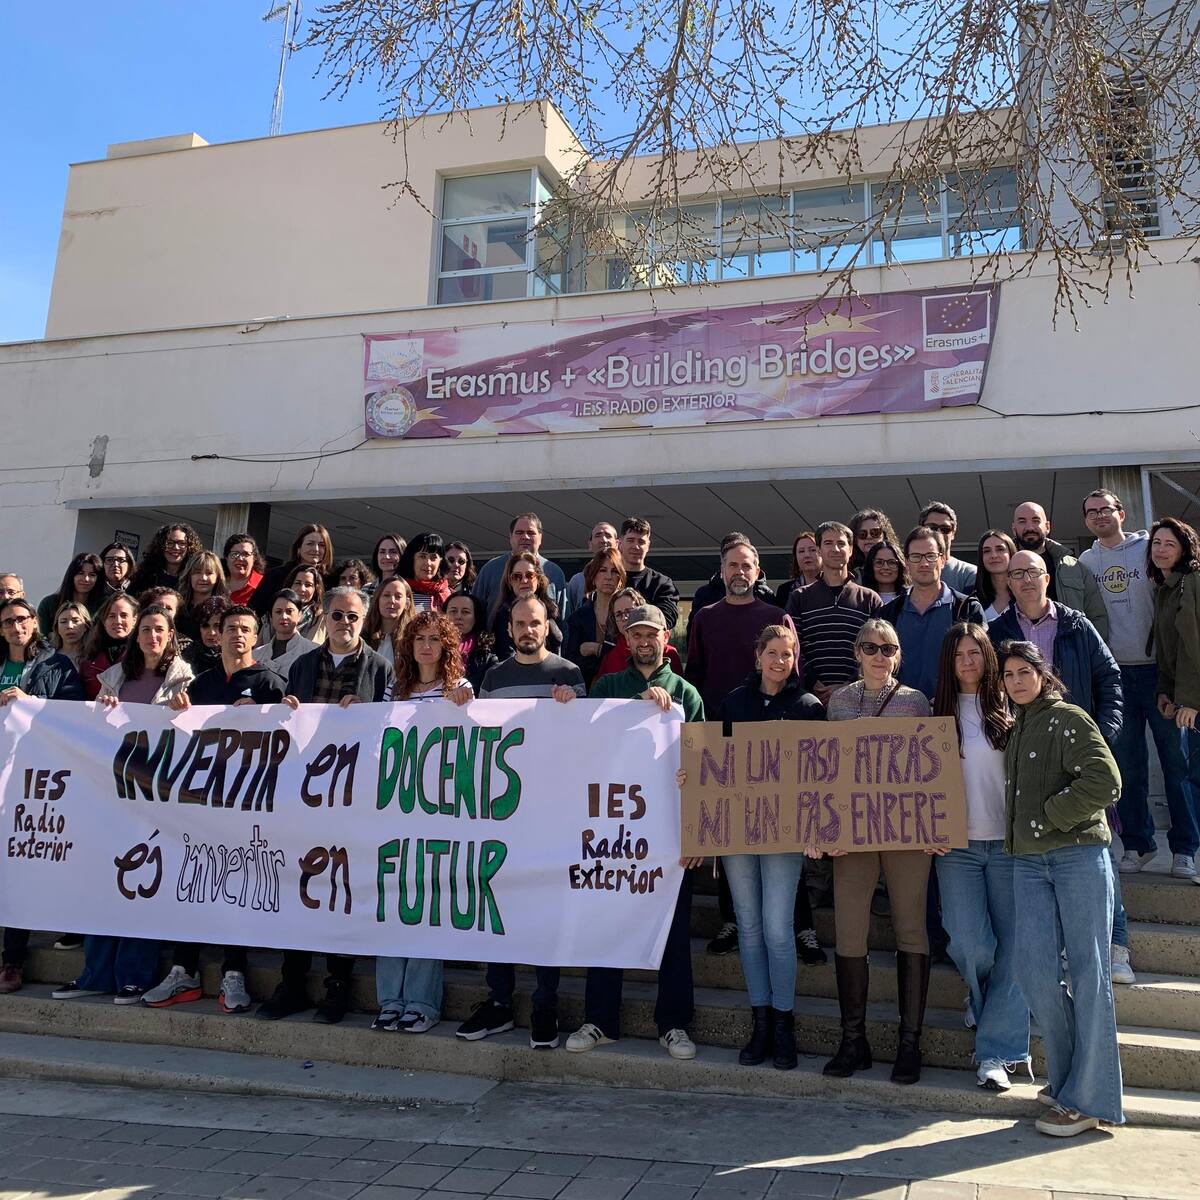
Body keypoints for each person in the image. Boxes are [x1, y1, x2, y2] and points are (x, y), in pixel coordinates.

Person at [566, 604, 704, 1061]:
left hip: (665, 836)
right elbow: (583, 745)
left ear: (667, 638)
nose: (644, 641)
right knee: (606, 922)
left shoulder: (686, 694)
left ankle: (675, 1024)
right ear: (626, 639)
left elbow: (701, 767)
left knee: (674, 931)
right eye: (636, 633)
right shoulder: (607, 687)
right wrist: (572, 705)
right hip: (611, 833)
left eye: (652, 634)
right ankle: (600, 1020)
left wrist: (696, 835)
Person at [999, 640, 1124, 1136]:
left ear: (1041, 672)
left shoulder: (1069, 717)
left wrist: (1053, 815)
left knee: (1091, 974)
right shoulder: (1017, 728)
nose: (1015, 681)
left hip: (1077, 857)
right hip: (1029, 863)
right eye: (1007, 675)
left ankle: (1087, 1099)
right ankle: (1071, 1080)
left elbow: (1106, 780)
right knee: (1033, 972)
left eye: (1023, 671)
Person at [988, 549, 1131, 982]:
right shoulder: (998, 632)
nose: (1026, 580)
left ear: (1047, 578)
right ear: (1008, 583)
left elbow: (1109, 678)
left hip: (1077, 751)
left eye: (1032, 572)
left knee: (1095, 846)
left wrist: (1101, 734)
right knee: (1044, 861)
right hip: (1027, 754)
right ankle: (1062, 951)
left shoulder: (1076, 624)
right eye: (1017, 574)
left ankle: (1116, 943)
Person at [257, 587, 393, 1024]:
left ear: (364, 620)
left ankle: (338, 984)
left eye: (353, 616)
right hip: (304, 794)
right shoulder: (301, 666)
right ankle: (292, 981)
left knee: (342, 888)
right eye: (337, 615)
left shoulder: (380, 668)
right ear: (325, 617)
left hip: (352, 796)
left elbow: (389, 729)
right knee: (299, 884)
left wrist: (364, 711)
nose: (345, 623)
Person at [455, 595, 585, 1049]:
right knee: (499, 907)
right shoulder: (494, 676)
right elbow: (484, 743)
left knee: (544, 912)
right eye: (520, 623)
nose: (528, 629)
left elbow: (584, 743)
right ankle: (499, 1002)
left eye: (536, 622)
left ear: (548, 625)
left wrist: (572, 706)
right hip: (502, 816)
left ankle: (544, 1003)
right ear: (509, 629)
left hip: (550, 816)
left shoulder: (569, 675)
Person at [145, 606, 286, 1015]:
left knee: (235, 885)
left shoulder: (271, 683)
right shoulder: (200, 685)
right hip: (200, 804)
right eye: (230, 629)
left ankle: (234, 972)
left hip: (248, 806)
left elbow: (291, 741)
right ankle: (183, 969)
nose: (237, 635)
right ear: (217, 635)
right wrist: (175, 714)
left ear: (255, 636)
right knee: (192, 880)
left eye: (245, 628)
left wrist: (282, 715)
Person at [53, 606, 188, 1005]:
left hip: (156, 797)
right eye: (145, 629)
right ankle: (95, 973)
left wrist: (185, 711)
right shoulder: (115, 676)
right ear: (136, 635)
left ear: (170, 634)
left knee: (144, 884)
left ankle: (133, 975)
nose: (151, 636)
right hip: (110, 792)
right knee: (102, 883)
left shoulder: (183, 676)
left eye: (159, 629)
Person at [818, 619, 934, 1085]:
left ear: (898, 655)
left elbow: (932, 766)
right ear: (856, 652)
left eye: (888, 648)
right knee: (849, 934)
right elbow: (825, 768)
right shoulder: (840, 702)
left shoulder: (915, 701)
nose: (879, 655)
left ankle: (910, 1044)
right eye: (870, 647)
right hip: (852, 833)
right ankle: (853, 1041)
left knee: (910, 929)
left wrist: (932, 822)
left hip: (906, 833)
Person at [709, 624, 825, 1070]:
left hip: (786, 834)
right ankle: (760, 1022)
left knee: (778, 930)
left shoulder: (808, 708)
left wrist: (816, 826)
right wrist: (692, 779)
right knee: (750, 927)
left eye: (787, 653)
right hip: (737, 832)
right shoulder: (734, 703)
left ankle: (783, 1024)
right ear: (757, 656)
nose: (780, 661)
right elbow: (713, 761)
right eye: (772, 653)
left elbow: (821, 774)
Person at [930, 623, 1030, 1091]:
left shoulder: (1014, 706)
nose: (968, 661)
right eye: (959, 654)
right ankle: (983, 997)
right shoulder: (934, 714)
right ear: (949, 663)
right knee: (971, 944)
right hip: (957, 848)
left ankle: (996, 1053)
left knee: (1012, 947)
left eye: (976, 652)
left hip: (1011, 846)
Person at [1082, 496, 1196, 879]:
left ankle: (1185, 849)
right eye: (1092, 512)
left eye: (1105, 509)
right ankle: (1138, 844)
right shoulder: (1084, 562)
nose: (1100, 516)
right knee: (1126, 766)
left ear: (1121, 514)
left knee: (1176, 764)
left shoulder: (1151, 550)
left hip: (1158, 674)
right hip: (1115, 676)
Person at [373, 612, 473, 1033]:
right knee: (392, 903)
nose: (427, 646)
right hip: (394, 810)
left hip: (439, 812)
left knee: (427, 904)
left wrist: (465, 710)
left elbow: (473, 745)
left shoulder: (461, 690)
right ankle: (389, 1000)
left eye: (435, 638)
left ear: (447, 646)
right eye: (419, 639)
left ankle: (422, 1003)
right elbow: (373, 741)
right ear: (408, 646)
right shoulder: (392, 692)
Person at [0, 597, 85, 995]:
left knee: (22, 862)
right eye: (7, 622)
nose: (16, 627)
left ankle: (12, 960)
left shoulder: (58, 666)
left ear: (35, 622)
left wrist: (29, 704)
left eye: (22, 620)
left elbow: (71, 716)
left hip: (34, 780)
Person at [1149, 516, 1200, 889]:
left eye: (1168, 543)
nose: (1161, 549)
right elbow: (1168, 652)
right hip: (1179, 696)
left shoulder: (1193, 582)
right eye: (1156, 544)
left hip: (1195, 700)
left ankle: (1189, 852)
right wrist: (1165, 692)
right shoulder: (1166, 588)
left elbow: (1194, 648)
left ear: (1183, 547)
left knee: (1191, 776)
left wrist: (1191, 701)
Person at [879, 526, 986, 701]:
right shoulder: (889, 613)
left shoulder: (966, 608)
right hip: (901, 711)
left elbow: (982, 663)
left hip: (954, 709)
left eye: (931, 556)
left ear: (943, 560)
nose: (924, 563)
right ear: (906, 563)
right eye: (916, 557)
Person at [786, 521, 882, 706]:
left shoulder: (870, 599)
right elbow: (792, 646)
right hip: (810, 698)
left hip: (860, 698)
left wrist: (849, 684)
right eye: (828, 543)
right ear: (819, 550)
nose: (835, 549)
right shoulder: (799, 598)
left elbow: (876, 649)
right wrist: (814, 683)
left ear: (851, 549)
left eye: (841, 543)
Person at [1011, 502, 1109, 639]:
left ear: (1047, 526)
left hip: (1071, 653)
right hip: (1019, 654)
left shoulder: (1074, 568)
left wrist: (1086, 650)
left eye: (1036, 520)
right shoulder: (1005, 567)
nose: (1029, 527)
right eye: (1022, 521)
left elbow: (1097, 616)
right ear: (1014, 528)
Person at [686, 531, 779, 642]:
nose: (739, 571)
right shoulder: (704, 607)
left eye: (745, 565)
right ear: (722, 565)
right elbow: (694, 646)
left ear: (757, 571)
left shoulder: (774, 610)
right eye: (733, 564)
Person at [474, 513, 569, 619]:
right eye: (519, 533)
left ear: (540, 537)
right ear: (510, 537)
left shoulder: (554, 572)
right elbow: (475, 613)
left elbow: (564, 618)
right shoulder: (490, 570)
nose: (525, 537)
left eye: (531, 532)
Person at [562, 547, 626, 687]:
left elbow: (630, 655)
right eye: (603, 570)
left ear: (620, 578)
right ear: (593, 576)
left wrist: (597, 649)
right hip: (586, 693)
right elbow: (572, 662)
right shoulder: (578, 618)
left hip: (623, 690)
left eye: (614, 571)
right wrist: (608, 654)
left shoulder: (629, 614)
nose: (609, 576)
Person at [593, 587, 683, 680]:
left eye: (629, 611)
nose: (624, 618)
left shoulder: (668, 653)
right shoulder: (610, 658)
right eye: (619, 614)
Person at [490, 552, 563, 659]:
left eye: (529, 575)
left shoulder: (552, 610)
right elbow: (506, 657)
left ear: (538, 578)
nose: (524, 581)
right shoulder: (503, 615)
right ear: (510, 581)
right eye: (517, 576)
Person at [252, 524, 335, 617]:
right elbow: (256, 610)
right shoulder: (276, 575)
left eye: (322, 545)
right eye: (310, 544)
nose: (316, 549)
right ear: (298, 549)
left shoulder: (330, 581)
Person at [617, 516, 680, 631]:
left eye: (641, 542)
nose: (636, 546)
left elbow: (666, 619)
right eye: (630, 540)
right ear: (620, 543)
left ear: (648, 546)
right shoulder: (608, 578)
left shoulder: (662, 584)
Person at [78, 592, 139, 699]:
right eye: (111, 616)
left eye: (124, 615)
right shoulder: (88, 660)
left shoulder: (144, 656)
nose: (118, 621)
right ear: (104, 620)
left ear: (134, 620)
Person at [253, 588, 318, 676]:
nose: (283, 616)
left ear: (300, 615)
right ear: (271, 617)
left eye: (289, 611)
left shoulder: (314, 653)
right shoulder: (256, 655)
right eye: (278, 612)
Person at [36, 552, 104, 634]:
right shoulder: (48, 604)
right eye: (80, 573)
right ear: (72, 575)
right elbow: (44, 639)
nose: (86, 579)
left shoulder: (104, 605)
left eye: (92, 575)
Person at [445, 592, 499, 694]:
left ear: (475, 618)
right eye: (453, 611)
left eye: (465, 612)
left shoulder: (487, 656)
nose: (459, 616)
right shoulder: (433, 649)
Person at [918, 501, 977, 593]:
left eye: (945, 529)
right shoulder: (908, 573)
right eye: (932, 528)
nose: (939, 533)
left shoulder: (968, 574)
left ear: (953, 533)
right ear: (920, 531)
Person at [128, 523, 203, 594]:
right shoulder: (143, 576)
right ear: (160, 546)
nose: (176, 547)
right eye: (170, 543)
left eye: (182, 543)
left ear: (189, 547)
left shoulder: (193, 578)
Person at [363, 576, 415, 667]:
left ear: (407, 603)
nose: (391, 601)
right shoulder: (363, 636)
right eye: (386, 595)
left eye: (398, 596)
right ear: (377, 600)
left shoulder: (413, 639)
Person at [176, 551, 228, 642]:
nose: (203, 578)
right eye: (197, 572)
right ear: (189, 576)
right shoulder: (177, 607)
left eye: (209, 573)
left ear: (218, 577)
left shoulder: (226, 610)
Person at [566, 522, 618, 611]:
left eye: (608, 535)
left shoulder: (625, 576)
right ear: (590, 545)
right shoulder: (577, 581)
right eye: (598, 536)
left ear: (617, 544)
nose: (604, 540)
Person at [398, 531, 452, 612]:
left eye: (433, 557)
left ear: (441, 560)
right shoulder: (399, 591)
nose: (428, 563)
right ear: (412, 559)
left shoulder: (450, 596)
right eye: (422, 556)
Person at [974, 530, 1017, 622]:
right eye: (987, 551)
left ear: (1011, 553)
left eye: (1000, 549)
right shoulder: (970, 597)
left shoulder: (1025, 593)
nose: (993, 555)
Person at [182, 595, 231, 674]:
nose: (212, 633)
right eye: (205, 626)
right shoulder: (188, 656)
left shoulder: (236, 653)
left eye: (217, 626)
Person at [281, 564, 327, 644]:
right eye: (298, 583)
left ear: (315, 590)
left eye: (308, 585)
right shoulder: (274, 612)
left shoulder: (321, 616)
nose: (302, 589)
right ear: (290, 585)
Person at [775, 531, 822, 607]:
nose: (807, 555)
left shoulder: (834, 586)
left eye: (812, 550)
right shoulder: (784, 591)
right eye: (801, 551)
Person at [849, 508, 899, 577]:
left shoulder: (901, 567)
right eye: (862, 534)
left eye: (875, 532)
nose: (869, 537)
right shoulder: (848, 572)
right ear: (855, 539)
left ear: (884, 535)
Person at [223, 533, 265, 607]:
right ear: (226, 558)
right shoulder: (216, 581)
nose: (240, 558)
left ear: (254, 558)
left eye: (246, 554)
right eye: (235, 554)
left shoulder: (263, 585)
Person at [862, 540, 908, 604]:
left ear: (900, 566)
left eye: (892, 562)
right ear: (871, 566)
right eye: (879, 562)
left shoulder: (910, 598)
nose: (885, 567)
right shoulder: (860, 598)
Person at [49, 601, 91, 665]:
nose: (69, 626)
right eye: (63, 622)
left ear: (85, 626)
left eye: (76, 621)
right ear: (57, 628)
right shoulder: (47, 657)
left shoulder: (96, 657)